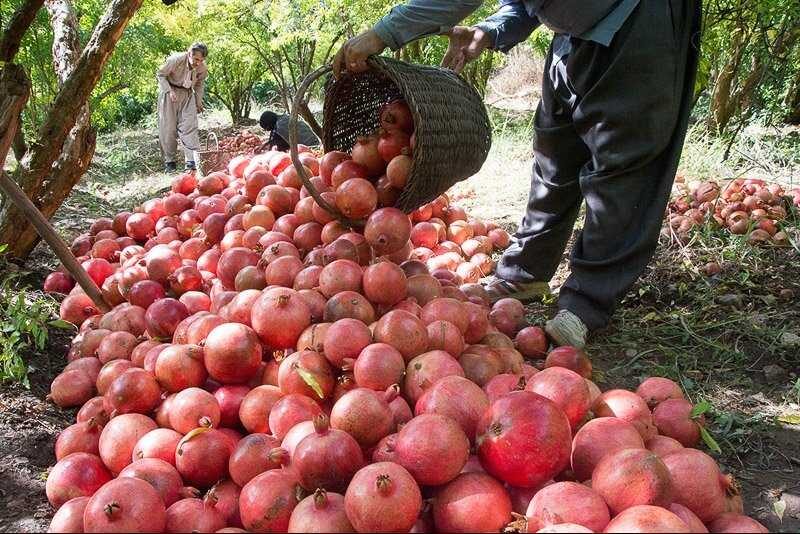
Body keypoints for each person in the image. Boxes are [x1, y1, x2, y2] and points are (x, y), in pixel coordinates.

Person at [333, 0, 701, 348]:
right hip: (573, 33)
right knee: (554, 156)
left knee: (622, 169)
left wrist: (384, 33)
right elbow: (526, 5)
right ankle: (525, 273)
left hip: (634, 19)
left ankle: (588, 301)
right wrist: (491, 31)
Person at [156, 42, 208, 172]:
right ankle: (170, 161)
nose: (198, 63)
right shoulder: (175, 60)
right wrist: (168, 90)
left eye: (201, 60)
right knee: (168, 128)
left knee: (190, 125)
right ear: (189, 54)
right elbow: (160, 74)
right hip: (170, 93)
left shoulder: (202, 67)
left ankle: (191, 160)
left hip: (187, 94)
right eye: (196, 59)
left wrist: (198, 101)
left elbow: (200, 83)